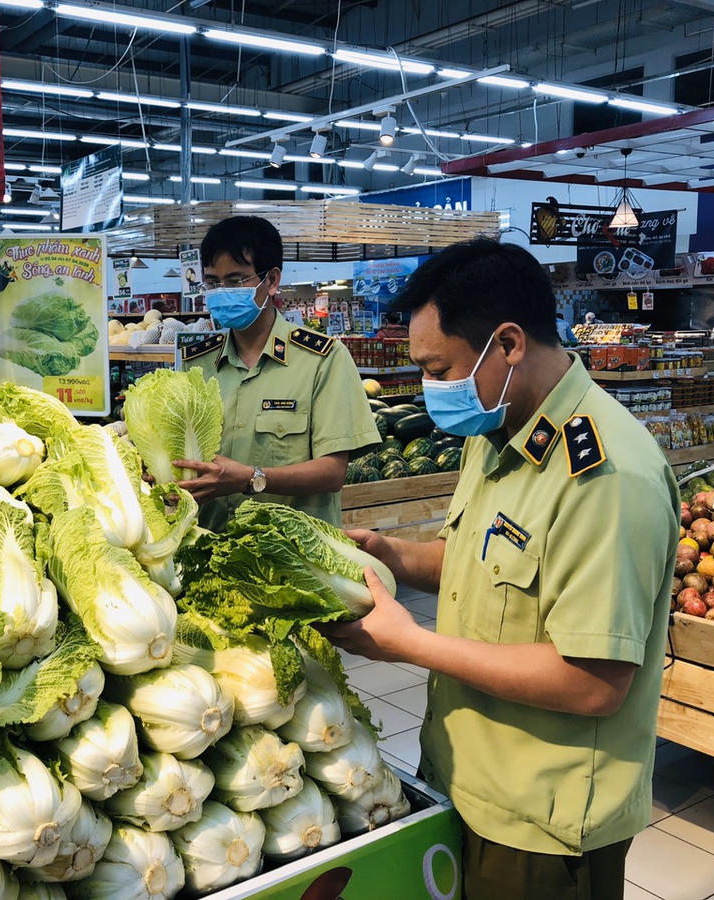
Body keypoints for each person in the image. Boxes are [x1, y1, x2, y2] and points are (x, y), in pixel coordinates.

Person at [322, 238, 678, 900]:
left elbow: (593, 682)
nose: (432, 389)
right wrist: (391, 554)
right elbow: (481, 561)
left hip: (540, 821)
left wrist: (410, 645)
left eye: (440, 368)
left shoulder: (606, 475)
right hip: (468, 781)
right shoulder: (500, 431)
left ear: (509, 344)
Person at [176, 215, 379, 531]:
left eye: (235, 280)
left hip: (294, 559)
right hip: (208, 554)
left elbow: (333, 473)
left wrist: (251, 479)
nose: (221, 292)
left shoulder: (322, 360)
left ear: (271, 281)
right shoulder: (196, 364)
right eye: (212, 282)